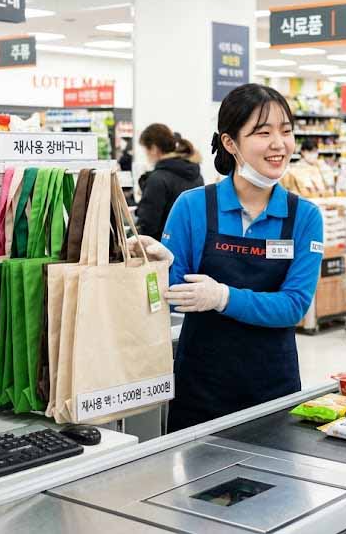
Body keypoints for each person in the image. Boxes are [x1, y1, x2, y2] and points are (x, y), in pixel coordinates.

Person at [128, 83, 324, 432]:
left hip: (273, 387)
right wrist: (159, 269)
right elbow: (175, 298)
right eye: (263, 132)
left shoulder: (305, 217)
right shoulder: (193, 206)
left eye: (286, 131)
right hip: (201, 386)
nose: (279, 144)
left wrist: (222, 297)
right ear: (230, 143)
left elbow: (294, 305)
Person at [134, 124, 204, 241]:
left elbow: (148, 225)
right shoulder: (196, 175)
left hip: (162, 250)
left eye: (145, 150)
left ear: (154, 149)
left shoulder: (157, 179)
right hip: (191, 246)